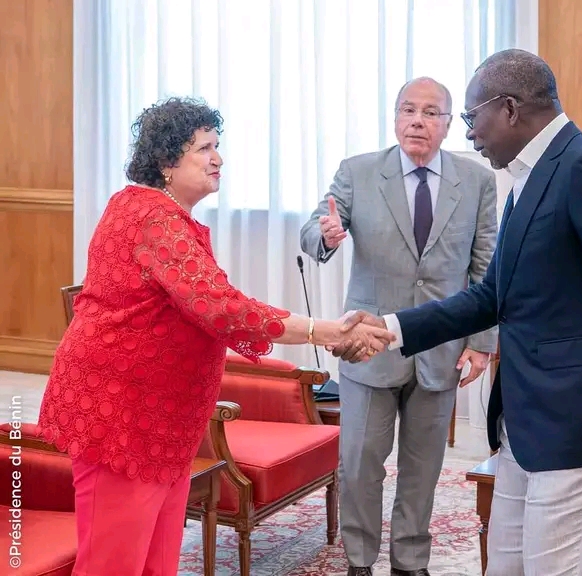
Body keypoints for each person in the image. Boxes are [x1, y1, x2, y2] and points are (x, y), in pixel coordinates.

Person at [336, 50, 582, 576]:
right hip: (522, 424)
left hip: (577, 432)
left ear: (510, 109)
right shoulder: (528, 177)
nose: (469, 133)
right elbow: (491, 296)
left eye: (472, 117)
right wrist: (391, 327)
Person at [36, 97, 394, 576]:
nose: (218, 158)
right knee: (113, 565)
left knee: (156, 562)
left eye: (216, 146)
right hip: (121, 419)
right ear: (166, 162)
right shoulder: (154, 219)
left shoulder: (154, 212)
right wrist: (322, 330)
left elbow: (209, 308)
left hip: (160, 424)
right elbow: (223, 309)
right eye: (203, 148)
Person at [300, 77, 498, 576]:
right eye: (408, 110)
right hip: (369, 346)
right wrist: (324, 235)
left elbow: (486, 266)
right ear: (394, 118)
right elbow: (314, 229)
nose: (417, 121)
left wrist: (481, 342)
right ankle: (359, 560)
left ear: (448, 124)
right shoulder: (359, 171)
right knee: (359, 464)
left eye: (431, 113)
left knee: (422, 467)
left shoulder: (476, 181)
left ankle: (410, 561)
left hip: (441, 347)